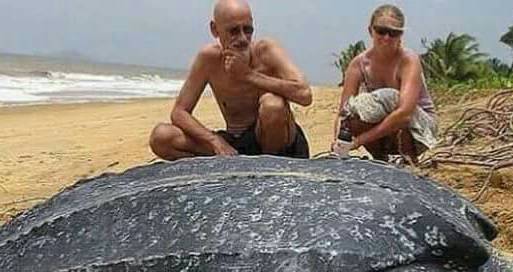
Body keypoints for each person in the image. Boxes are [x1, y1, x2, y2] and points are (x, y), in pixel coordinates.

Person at [150, 0, 312, 160]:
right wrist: (214, 141)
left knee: (272, 105)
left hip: (277, 143)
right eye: (234, 31)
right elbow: (179, 112)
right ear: (215, 30)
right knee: (162, 136)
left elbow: (305, 95)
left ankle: (268, 165)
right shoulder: (209, 59)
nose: (242, 38)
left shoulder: (266, 50)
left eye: (247, 30)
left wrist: (248, 75)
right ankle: (236, 162)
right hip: (237, 145)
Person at [332, 4, 438, 163]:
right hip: (386, 126)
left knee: (390, 97)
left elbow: (405, 112)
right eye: (381, 31)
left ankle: (407, 158)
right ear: (371, 31)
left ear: (401, 35)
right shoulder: (358, 64)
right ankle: (381, 158)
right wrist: (338, 143)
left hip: (420, 129)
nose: (387, 37)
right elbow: (343, 112)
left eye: (393, 33)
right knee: (353, 112)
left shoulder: (408, 60)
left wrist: (358, 142)